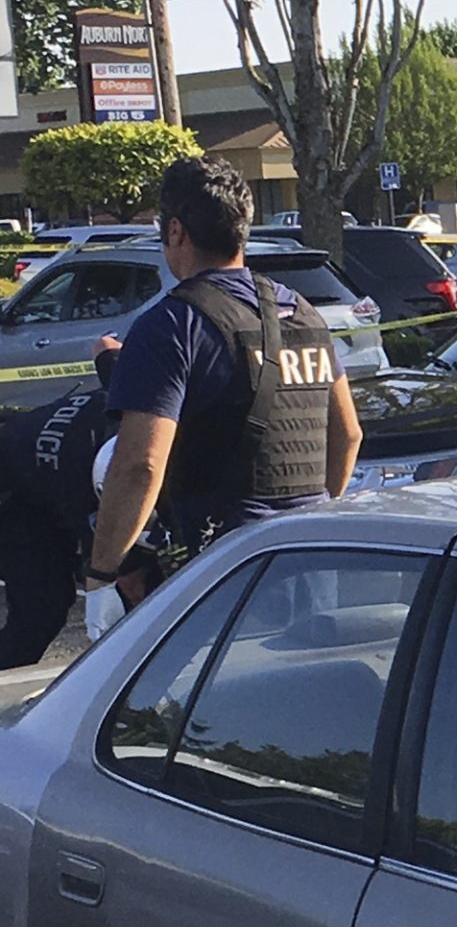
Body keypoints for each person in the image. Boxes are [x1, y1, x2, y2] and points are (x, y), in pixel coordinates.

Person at [84, 157, 364, 640]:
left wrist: (101, 576)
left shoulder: (173, 324)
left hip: (230, 568)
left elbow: (139, 466)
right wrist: (314, 513)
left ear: (175, 231)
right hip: (313, 560)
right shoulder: (301, 313)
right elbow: (348, 434)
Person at [0, 371, 114, 667]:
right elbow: (113, 574)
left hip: (38, 481)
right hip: (14, 491)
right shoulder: (91, 474)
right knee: (41, 609)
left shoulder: (141, 394)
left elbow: (106, 347)